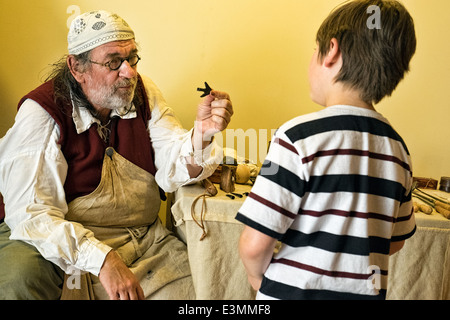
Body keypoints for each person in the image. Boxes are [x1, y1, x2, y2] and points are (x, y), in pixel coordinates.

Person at [0, 10, 233, 300]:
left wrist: (201, 136)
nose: (129, 72)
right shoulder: (42, 113)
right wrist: (103, 260)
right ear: (77, 68)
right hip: (73, 245)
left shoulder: (144, 92)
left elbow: (172, 163)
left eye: (132, 58)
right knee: (18, 280)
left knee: (206, 294)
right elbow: (32, 214)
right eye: (114, 62)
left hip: (146, 242)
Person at [236, 0, 417, 300]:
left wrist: (258, 279)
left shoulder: (295, 137)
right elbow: (394, 241)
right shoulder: (399, 151)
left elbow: (255, 243)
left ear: (331, 51)